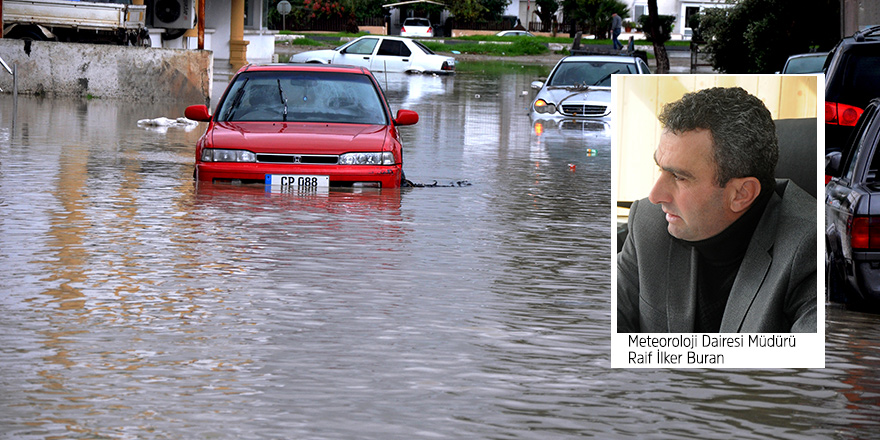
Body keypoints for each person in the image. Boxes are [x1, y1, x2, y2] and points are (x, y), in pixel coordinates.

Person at [617, 87, 817, 333]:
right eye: (662, 169)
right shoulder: (648, 223)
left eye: (679, 177)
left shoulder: (810, 248)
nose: (655, 196)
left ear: (741, 194)